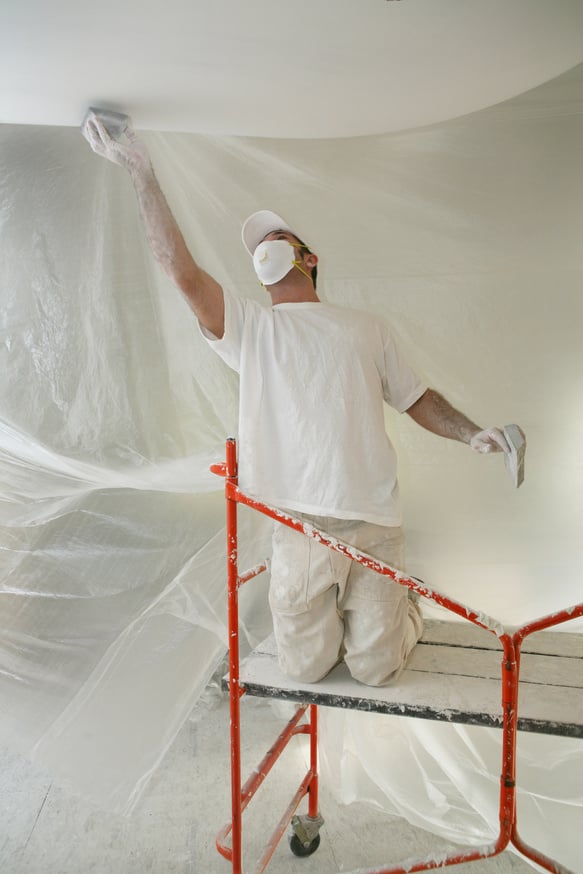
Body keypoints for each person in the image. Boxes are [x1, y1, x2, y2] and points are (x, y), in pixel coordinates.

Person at [82, 111, 519, 687]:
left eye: (278, 238)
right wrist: (140, 168)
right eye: (257, 248)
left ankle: (400, 615)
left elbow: (416, 398)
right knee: (307, 669)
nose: (265, 246)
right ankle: (353, 621)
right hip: (299, 522)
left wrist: (471, 433)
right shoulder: (252, 329)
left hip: (373, 520)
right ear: (259, 276)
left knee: (375, 669)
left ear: (308, 258)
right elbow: (180, 272)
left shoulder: (365, 327)